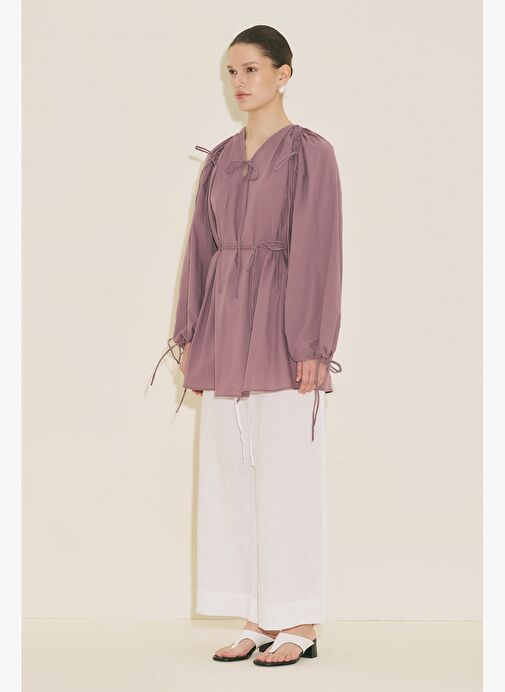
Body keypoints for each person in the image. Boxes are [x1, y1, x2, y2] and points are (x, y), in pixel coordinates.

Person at [150, 24, 343, 667]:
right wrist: (189, 331)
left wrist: (311, 342)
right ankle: (256, 614)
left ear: (284, 74)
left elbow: (319, 251)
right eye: (232, 71)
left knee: (288, 473)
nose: (240, 82)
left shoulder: (310, 154)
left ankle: (299, 619)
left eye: (253, 69)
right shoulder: (221, 160)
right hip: (225, 329)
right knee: (229, 473)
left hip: (285, 334)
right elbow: (200, 250)